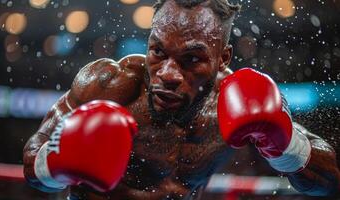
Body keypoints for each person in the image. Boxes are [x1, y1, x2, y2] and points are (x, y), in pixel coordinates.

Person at [23, 0, 340, 199]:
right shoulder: (109, 85)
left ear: (222, 58)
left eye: (191, 59)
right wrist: (55, 165)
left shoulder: (236, 99)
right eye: (158, 51)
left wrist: (283, 147)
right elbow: (32, 164)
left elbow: (328, 181)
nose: (168, 74)